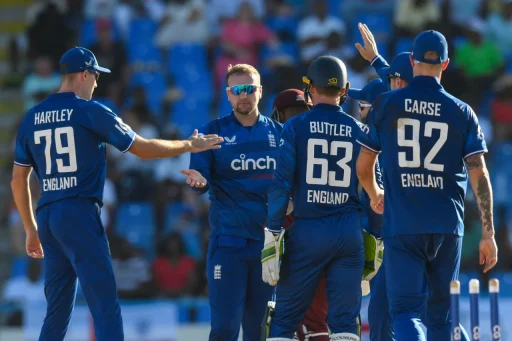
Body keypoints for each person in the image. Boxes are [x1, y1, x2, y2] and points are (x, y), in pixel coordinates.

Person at [10, 46, 223, 341]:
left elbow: (18, 180)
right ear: (84, 74)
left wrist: (30, 229)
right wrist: (188, 145)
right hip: (79, 211)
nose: (97, 83)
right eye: (96, 76)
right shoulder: (91, 111)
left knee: (57, 310)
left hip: (48, 215)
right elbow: (142, 149)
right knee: (105, 304)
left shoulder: (31, 118)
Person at [356, 30, 498, 341]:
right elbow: (480, 174)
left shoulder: (386, 104)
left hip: (403, 223)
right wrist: (488, 233)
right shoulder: (463, 112)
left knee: (405, 312)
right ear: (446, 64)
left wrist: (374, 193)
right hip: (448, 224)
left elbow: (363, 167)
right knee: (441, 317)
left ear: (411, 60)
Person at [263, 55, 365, 341]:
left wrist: (273, 231)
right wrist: (376, 237)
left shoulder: (295, 127)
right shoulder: (360, 131)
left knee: (283, 320)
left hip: (308, 230)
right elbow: (374, 190)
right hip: (348, 232)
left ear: (310, 88)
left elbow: (281, 186)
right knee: (344, 324)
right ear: (344, 90)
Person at [181, 63, 282, 341]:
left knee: (259, 331)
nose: (244, 95)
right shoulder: (211, 134)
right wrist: (198, 182)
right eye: (237, 90)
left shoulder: (281, 134)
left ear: (260, 91)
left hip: (268, 247)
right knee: (225, 328)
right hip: (229, 244)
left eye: (249, 89)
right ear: (228, 94)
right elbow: (200, 179)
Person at [271, 89, 330, 341]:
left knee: (291, 322)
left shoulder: (280, 144)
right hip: (330, 234)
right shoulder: (324, 140)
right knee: (316, 321)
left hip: (297, 237)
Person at [355, 23, 413, 91]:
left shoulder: (394, 96)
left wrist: (374, 57)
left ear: (398, 82)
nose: (390, 81)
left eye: (392, 77)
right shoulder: (425, 93)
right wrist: (374, 58)